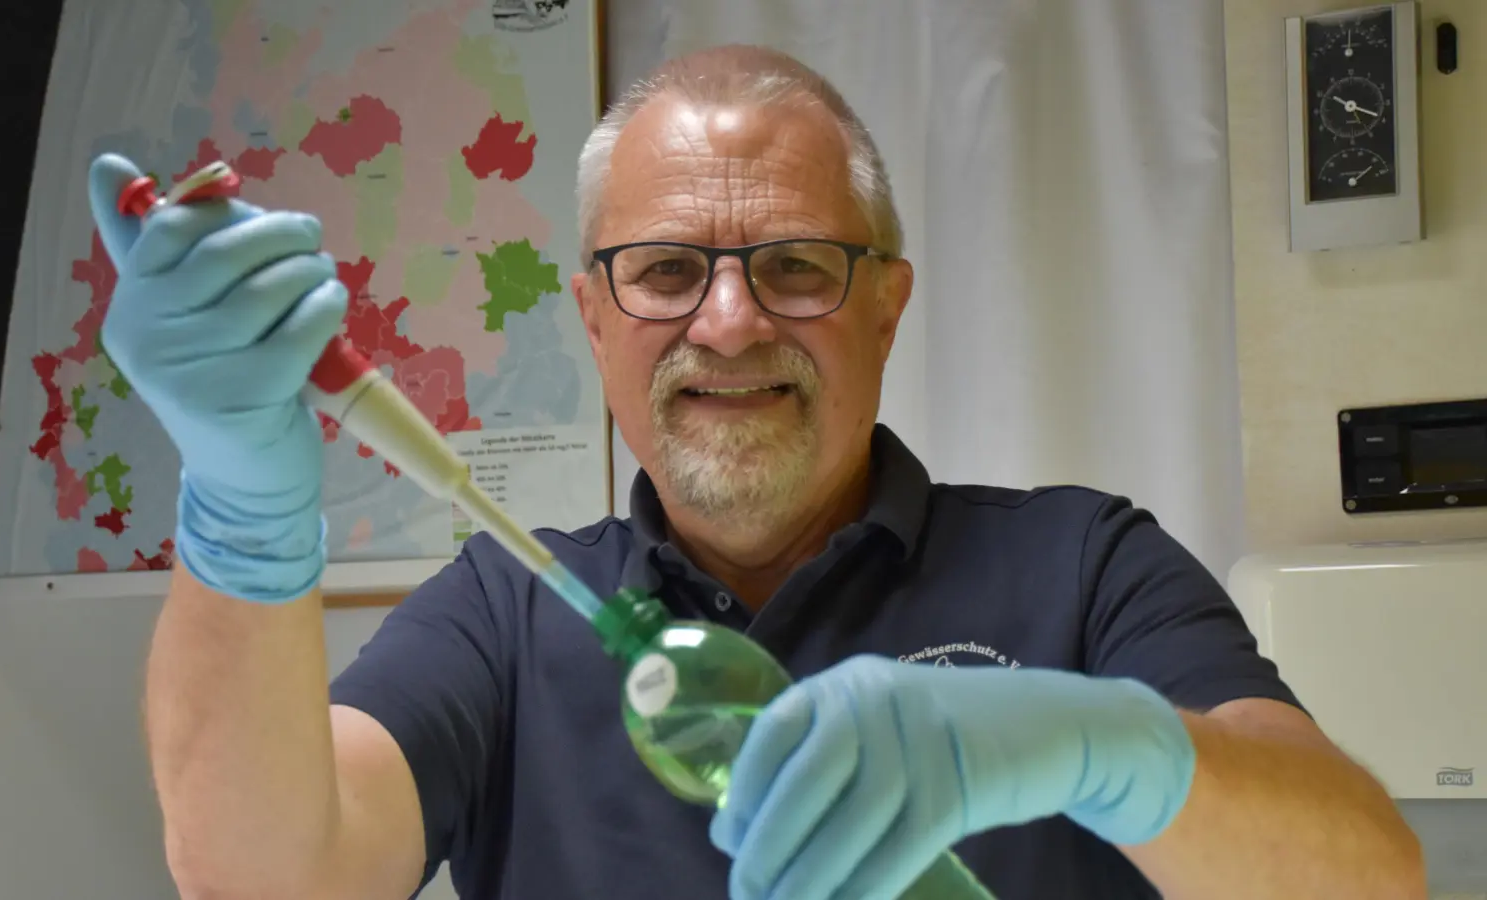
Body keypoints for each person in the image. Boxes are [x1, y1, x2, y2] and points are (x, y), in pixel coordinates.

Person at [88, 44, 1424, 900]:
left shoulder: (1083, 567)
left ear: (887, 307)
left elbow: (1368, 881)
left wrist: (1101, 746)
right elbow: (263, 877)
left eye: (794, 265)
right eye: (666, 271)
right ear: (596, 317)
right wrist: (242, 501)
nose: (728, 322)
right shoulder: (503, 612)